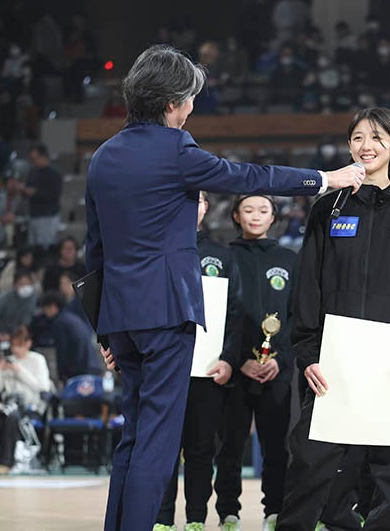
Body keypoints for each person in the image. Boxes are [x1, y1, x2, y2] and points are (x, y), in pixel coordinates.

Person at [86, 45, 363, 531]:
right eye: (190, 97)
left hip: (121, 318)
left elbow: (95, 252)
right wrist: (326, 178)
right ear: (172, 102)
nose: (193, 106)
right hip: (166, 313)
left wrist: (104, 331)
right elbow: (249, 176)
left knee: (132, 436)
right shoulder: (175, 148)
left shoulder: (102, 156)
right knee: (157, 442)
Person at [277, 107, 390, 530]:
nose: (366, 146)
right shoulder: (328, 209)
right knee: (312, 462)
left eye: (376, 137)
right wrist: (308, 354)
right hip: (331, 363)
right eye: (357, 138)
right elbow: (308, 286)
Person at [154, 191, 243, 531]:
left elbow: (235, 313)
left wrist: (229, 359)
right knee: (162, 448)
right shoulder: (153, 249)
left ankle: (195, 519)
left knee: (201, 449)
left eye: (199, 200)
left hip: (207, 370)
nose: (192, 204)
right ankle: (162, 519)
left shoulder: (221, 255)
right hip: (163, 369)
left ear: (206, 207)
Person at [215, 193, 296, 530]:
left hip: (276, 371)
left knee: (276, 448)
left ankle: (274, 511)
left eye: (263, 210)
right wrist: (236, 360)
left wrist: (282, 359)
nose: (256, 216)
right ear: (236, 215)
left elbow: (296, 318)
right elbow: (218, 315)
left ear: (273, 217)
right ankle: (228, 513)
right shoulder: (225, 258)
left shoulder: (290, 259)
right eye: (248, 210)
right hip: (235, 370)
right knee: (230, 446)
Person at [0, 326, 52, 476]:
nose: (15, 349)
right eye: (13, 345)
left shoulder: (37, 360)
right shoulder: (8, 361)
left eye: (19, 345)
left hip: (29, 406)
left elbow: (43, 387)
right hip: (7, 403)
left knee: (11, 417)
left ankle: (6, 462)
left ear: (28, 343)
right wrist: (0, 371)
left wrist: (19, 371)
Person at [38, 291, 102, 383]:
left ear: (53, 306)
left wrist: (62, 376)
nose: (45, 313)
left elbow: (62, 350)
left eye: (45, 309)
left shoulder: (59, 322)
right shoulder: (70, 317)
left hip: (79, 370)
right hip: (91, 364)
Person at [0, 269, 38, 345]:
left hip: (12, 335)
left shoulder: (32, 297)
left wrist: (20, 336)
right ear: (14, 285)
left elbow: (27, 318)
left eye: (28, 284)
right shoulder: (5, 297)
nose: (25, 287)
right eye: (22, 284)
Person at [23, 143, 62, 250]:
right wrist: (24, 190)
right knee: (33, 248)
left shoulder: (54, 173)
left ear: (44, 156)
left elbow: (54, 195)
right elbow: (27, 188)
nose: (33, 161)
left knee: (45, 248)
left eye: (35, 158)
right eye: (31, 159)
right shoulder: (32, 172)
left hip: (48, 216)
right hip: (33, 215)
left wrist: (35, 193)